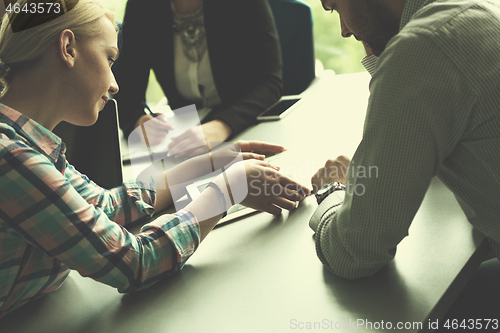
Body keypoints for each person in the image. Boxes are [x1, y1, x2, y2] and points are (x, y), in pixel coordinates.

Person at [0, 0, 309, 318]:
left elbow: (106, 205)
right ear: (68, 48)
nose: (115, 84)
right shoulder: (11, 157)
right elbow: (135, 263)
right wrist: (225, 191)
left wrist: (211, 163)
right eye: (109, 59)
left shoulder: (27, 142)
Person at [309, 0, 500, 320]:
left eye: (334, 6)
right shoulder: (476, 9)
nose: (343, 30)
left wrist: (333, 192)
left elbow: (355, 253)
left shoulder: (423, 48)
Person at [113, 0, 283, 158]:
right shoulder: (142, 6)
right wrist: (138, 121)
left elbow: (270, 81)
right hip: (186, 138)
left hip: (249, 123)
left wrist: (221, 126)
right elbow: (125, 93)